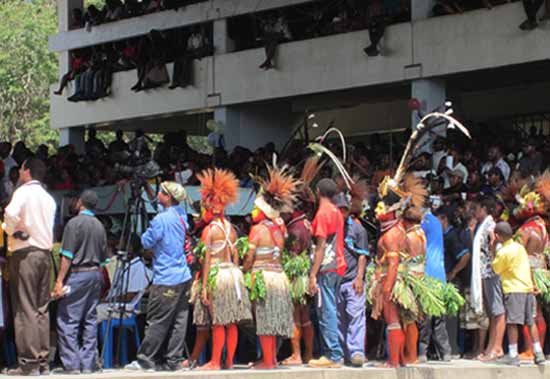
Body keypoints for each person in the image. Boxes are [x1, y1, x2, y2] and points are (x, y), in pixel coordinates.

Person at [125, 181, 192, 371]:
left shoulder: (160, 220)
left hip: (166, 277)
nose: (158, 195)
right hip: (183, 275)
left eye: (161, 193)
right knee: (179, 321)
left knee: (157, 320)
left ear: (168, 197)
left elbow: (146, 242)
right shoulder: (181, 215)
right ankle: (174, 360)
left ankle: (146, 359)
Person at [2, 158, 57, 375]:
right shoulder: (48, 198)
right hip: (44, 254)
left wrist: (11, 230)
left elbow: (10, 214)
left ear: (27, 172)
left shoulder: (23, 192)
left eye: (22, 169)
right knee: (41, 309)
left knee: (25, 308)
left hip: (25, 254)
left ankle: (28, 362)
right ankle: (43, 361)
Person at [196, 169, 252, 370]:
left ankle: (214, 361)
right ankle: (228, 361)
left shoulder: (209, 230)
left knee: (219, 320)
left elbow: (206, 260)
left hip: (218, 275)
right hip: (233, 275)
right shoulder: (231, 229)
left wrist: (203, 287)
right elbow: (236, 256)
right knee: (232, 321)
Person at [243, 166, 298, 369]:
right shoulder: (279, 228)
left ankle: (268, 361)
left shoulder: (257, 230)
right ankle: (271, 359)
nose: (253, 211)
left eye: (255, 208)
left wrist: (244, 271)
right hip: (279, 276)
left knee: (265, 319)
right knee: (272, 319)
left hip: (263, 277)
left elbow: (250, 257)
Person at [52, 190, 108, 374]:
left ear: (80, 203)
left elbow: (67, 257)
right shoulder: (100, 226)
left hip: (77, 274)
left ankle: (72, 364)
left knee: (68, 319)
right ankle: (88, 363)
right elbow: (103, 261)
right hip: (95, 275)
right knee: (90, 319)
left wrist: (59, 281)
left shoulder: (74, 224)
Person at [492, 222, 545, 366]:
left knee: (512, 323)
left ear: (497, 236)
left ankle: (513, 354)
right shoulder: (520, 247)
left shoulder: (503, 252)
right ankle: (538, 352)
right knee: (530, 321)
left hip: (513, 290)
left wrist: (493, 248)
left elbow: (496, 269)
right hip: (527, 289)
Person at [307, 178, 346, 368]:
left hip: (326, 267)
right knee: (330, 308)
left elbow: (320, 246)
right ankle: (333, 352)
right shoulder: (337, 211)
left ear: (318, 191)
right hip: (337, 265)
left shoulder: (322, 214)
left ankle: (333, 354)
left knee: (326, 310)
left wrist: (313, 274)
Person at [335, 192, 369, 367]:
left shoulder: (358, 229)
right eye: (339, 209)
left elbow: (362, 256)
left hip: (352, 280)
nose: (342, 213)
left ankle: (356, 351)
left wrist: (359, 278)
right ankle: (341, 352)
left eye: (344, 210)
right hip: (335, 281)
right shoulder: (331, 228)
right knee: (338, 318)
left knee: (355, 316)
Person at [435, 206, 472, 357]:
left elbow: (465, 256)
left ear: (443, 218)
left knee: (450, 318)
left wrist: (453, 272)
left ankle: (452, 349)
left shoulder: (451, 236)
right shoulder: (443, 235)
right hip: (443, 279)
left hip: (452, 282)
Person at [472, 197, 505, 362]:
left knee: (497, 311)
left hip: (491, 272)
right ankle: (491, 347)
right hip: (485, 273)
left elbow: (495, 241)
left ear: (484, 208)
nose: (475, 212)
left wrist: (492, 253)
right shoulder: (483, 224)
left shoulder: (490, 225)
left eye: (477, 208)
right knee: (492, 312)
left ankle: (497, 347)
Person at [419, 205, 452, 362]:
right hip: (439, 274)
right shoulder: (436, 222)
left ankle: (422, 352)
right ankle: (446, 352)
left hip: (428, 274)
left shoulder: (424, 223)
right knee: (439, 318)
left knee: (425, 317)